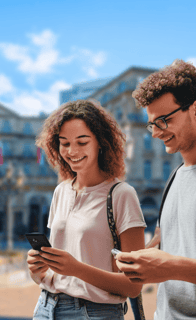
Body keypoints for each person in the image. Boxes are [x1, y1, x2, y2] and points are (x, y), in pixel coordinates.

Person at [27, 99, 147, 319]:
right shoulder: (60, 191)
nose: (72, 151)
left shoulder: (122, 195)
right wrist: (39, 270)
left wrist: (76, 269)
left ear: (100, 143)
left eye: (82, 142)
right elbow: (58, 271)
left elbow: (133, 286)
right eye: (64, 143)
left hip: (93, 313)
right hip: (46, 307)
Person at [115, 59, 196, 319]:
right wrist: (140, 259)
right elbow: (167, 246)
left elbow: (174, 264)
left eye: (164, 120)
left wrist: (174, 268)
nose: (155, 133)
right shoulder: (173, 179)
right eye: (152, 124)